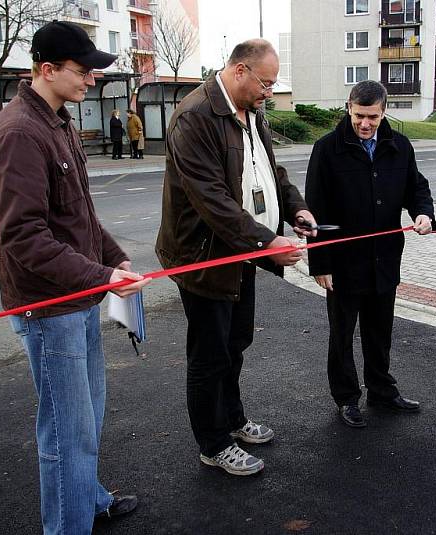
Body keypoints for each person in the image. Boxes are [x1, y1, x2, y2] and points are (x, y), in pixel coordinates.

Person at [0, 20, 150, 534]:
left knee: (86, 419)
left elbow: (79, 215)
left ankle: (88, 498)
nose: (92, 81)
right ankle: (67, 525)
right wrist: (101, 275)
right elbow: (24, 237)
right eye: (84, 71)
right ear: (46, 69)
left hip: (78, 299)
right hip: (48, 309)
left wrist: (114, 260)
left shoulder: (56, 121)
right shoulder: (17, 133)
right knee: (65, 431)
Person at [155, 39, 317, 476]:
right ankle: (213, 443)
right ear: (240, 70)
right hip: (205, 258)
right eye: (265, 82)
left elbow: (271, 170)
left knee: (234, 344)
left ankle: (233, 419)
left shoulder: (252, 114)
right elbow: (211, 199)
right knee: (210, 355)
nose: (270, 91)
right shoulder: (195, 117)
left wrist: (295, 207)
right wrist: (268, 243)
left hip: (242, 253)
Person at [305, 80, 436, 428]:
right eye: (360, 116)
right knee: (342, 335)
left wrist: (424, 213)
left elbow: (416, 188)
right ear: (349, 107)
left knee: (380, 331)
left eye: (373, 118)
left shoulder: (399, 146)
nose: (365, 124)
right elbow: (315, 209)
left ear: (383, 112)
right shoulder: (327, 149)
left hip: (384, 259)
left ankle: (381, 389)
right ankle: (347, 398)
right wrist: (319, 262)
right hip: (344, 264)